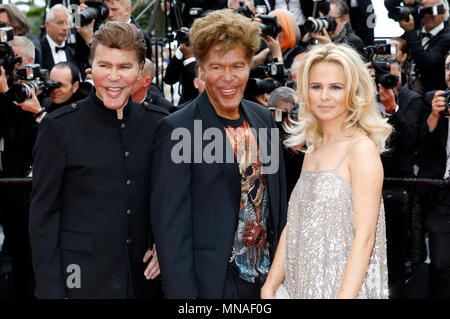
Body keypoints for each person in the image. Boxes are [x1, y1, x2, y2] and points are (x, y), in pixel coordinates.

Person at [150, 9, 287, 299]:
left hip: (267, 283)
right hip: (211, 284)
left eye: (237, 66)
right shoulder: (177, 128)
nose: (228, 78)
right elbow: (170, 230)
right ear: (200, 70)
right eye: (216, 67)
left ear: (249, 65)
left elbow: (278, 205)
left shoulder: (263, 118)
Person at [29, 21, 165, 299]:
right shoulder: (59, 128)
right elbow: (43, 218)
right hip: (81, 281)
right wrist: (50, 292)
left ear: (141, 71)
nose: (113, 77)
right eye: (104, 66)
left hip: (144, 283)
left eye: (124, 67)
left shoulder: (159, 125)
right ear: (91, 68)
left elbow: (172, 202)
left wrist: (165, 247)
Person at [261, 43, 392, 299]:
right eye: (316, 86)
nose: (324, 96)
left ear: (353, 91)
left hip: (343, 290)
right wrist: (271, 284)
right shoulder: (313, 149)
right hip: (301, 286)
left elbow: (365, 239)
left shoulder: (361, 149)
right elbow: (296, 224)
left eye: (335, 87)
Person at [378, 58, 424, 299]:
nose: (388, 82)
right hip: (367, 183)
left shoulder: (411, 100)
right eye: (383, 77)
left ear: (402, 76)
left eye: (393, 77)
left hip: (397, 187)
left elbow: (409, 141)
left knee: (395, 257)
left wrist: (392, 109)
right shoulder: (364, 98)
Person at [415, 51, 450, 298]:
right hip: (441, 196)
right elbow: (419, 150)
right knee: (438, 263)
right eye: (448, 67)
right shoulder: (433, 100)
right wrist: (433, 117)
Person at [394, 0, 450, 93]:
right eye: (423, 11)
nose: (427, 15)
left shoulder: (447, 37)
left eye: (431, 11)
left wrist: (410, 32)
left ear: (443, 12)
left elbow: (427, 62)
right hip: (407, 92)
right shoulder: (416, 30)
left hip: (432, 95)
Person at [40, 4, 92, 79]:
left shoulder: (73, 53)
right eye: (60, 23)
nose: (65, 28)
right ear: (47, 26)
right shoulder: (38, 50)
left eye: (68, 23)